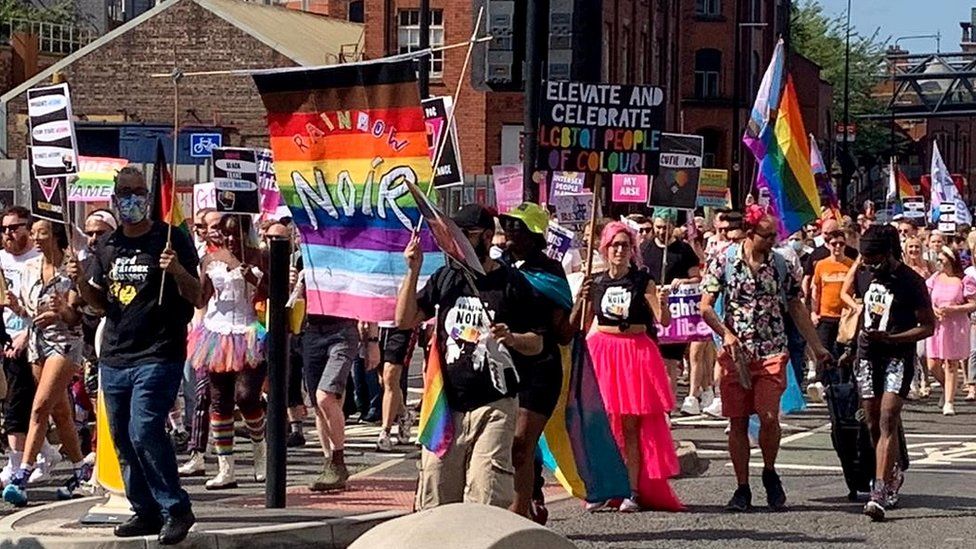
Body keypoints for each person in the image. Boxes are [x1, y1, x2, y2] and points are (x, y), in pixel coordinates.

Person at [70, 167, 200, 544]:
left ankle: (176, 507)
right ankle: (144, 509)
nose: (130, 199)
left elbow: (197, 295)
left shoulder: (171, 238)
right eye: (123, 192)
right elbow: (97, 303)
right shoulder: (107, 245)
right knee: (123, 439)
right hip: (115, 355)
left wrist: (174, 268)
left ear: (147, 196)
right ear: (114, 198)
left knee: (144, 429)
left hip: (159, 353)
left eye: (137, 192)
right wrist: (80, 279)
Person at [397, 204, 544, 510]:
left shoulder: (512, 284)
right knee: (436, 493)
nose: (455, 240)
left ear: (487, 237)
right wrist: (412, 269)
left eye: (465, 234)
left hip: (494, 404)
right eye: (452, 233)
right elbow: (405, 319)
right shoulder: (446, 277)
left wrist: (514, 338)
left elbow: (537, 343)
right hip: (445, 404)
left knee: (485, 491)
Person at [700, 209, 830, 512]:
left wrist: (817, 347)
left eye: (774, 236)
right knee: (738, 421)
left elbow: (796, 306)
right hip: (737, 355)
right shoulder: (723, 261)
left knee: (769, 416)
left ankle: (769, 471)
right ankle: (742, 487)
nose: (773, 241)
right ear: (749, 232)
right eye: (767, 236)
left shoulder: (781, 264)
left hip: (772, 349)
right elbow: (705, 307)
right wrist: (726, 334)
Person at [570, 221, 681, 512]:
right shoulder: (596, 282)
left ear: (632, 249)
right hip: (603, 353)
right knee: (602, 426)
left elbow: (663, 320)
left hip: (634, 354)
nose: (620, 250)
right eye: (614, 245)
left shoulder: (642, 279)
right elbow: (582, 326)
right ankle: (603, 488)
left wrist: (664, 303)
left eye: (625, 245)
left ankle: (631, 489)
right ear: (604, 249)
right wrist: (581, 300)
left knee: (631, 426)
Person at [2, 220, 89, 506]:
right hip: (38, 343)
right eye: (34, 233)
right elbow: (29, 312)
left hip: (65, 344)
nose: (36, 238)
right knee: (60, 411)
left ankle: (22, 474)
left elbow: (78, 316)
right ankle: (80, 469)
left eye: (42, 233)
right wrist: (17, 307)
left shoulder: (72, 267)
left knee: (39, 407)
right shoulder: (30, 269)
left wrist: (61, 311)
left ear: (56, 235)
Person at [852, 225, 935, 521]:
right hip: (866, 355)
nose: (867, 263)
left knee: (888, 417)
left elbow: (929, 325)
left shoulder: (911, 281)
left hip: (897, 354)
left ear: (889, 253)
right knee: (872, 422)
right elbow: (858, 309)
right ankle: (892, 470)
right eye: (864, 257)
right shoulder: (862, 273)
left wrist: (893, 339)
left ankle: (879, 491)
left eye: (873, 257)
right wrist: (850, 348)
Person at [499, 203, 573, 521]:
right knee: (506, 446)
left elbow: (563, 333)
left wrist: (578, 306)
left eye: (517, 226)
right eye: (507, 225)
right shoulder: (498, 266)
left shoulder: (550, 271)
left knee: (520, 445)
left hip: (540, 368)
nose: (509, 232)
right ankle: (532, 495)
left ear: (533, 235)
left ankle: (518, 520)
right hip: (502, 367)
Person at [183, 214, 268, 489]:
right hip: (215, 334)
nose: (229, 238)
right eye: (223, 232)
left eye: (234, 232)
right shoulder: (210, 260)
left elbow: (274, 293)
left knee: (246, 397)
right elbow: (200, 297)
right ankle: (226, 469)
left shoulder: (260, 256)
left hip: (249, 333)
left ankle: (260, 451)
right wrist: (179, 274)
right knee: (218, 401)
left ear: (245, 231)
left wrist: (254, 279)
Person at [0, 207, 59, 486]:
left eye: (15, 227)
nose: (9, 234)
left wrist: (24, 334)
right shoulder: (0, 259)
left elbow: (39, 308)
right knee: (17, 407)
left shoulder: (38, 261)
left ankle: (17, 465)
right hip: (5, 337)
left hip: (30, 342)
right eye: (4, 229)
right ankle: (45, 451)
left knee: (21, 406)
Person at [640, 212, 702, 414]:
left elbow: (696, 278)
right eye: (657, 227)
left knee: (669, 364)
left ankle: (666, 408)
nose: (660, 231)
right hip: (649, 314)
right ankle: (652, 404)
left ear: (672, 226)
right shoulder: (644, 249)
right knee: (649, 363)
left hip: (675, 315)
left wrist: (682, 281)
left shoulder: (684, 251)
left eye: (664, 227)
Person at [924, 246, 976, 416]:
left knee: (951, 363)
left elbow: (973, 303)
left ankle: (949, 401)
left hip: (955, 325)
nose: (939, 262)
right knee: (932, 364)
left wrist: (954, 309)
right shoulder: (936, 278)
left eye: (941, 259)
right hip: (938, 325)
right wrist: (933, 309)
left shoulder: (964, 280)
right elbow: (927, 298)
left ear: (951, 259)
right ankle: (948, 386)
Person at [811, 230, 855, 360]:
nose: (837, 247)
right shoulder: (821, 265)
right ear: (828, 245)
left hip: (845, 316)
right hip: (826, 316)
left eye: (841, 244)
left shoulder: (851, 265)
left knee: (844, 352)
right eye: (834, 243)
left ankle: (843, 379)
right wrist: (814, 312)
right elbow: (816, 290)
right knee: (824, 352)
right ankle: (823, 379)